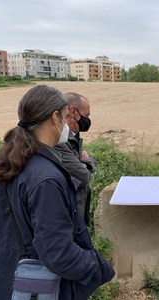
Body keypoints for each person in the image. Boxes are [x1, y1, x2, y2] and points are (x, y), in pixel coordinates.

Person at [0, 85, 115, 299]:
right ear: (55, 117)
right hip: (32, 290)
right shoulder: (47, 178)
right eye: (63, 116)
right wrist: (98, 267)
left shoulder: (4, 161)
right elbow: (59, 254)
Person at [54, 92, 96, 225]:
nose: (88, 120)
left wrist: (84, 163)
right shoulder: (60, 141)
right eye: (87, 115)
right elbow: (83, 175)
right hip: (70, 211)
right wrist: (86, 163)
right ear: (73, 111)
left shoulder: (73, 136)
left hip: (78, 208)